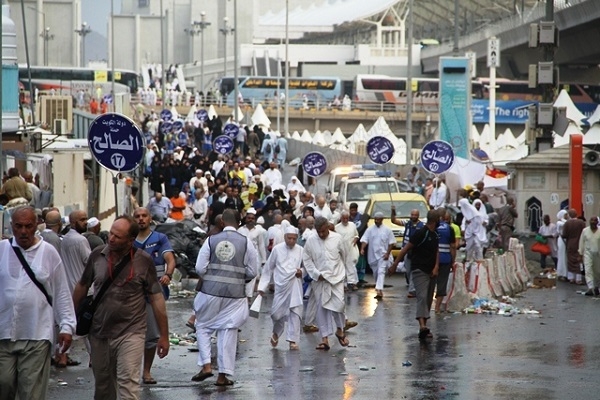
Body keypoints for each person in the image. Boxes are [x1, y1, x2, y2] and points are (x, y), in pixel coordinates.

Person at [72, 215, 170, 400]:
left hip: (131, 332)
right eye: (111, 233)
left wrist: (163, 335)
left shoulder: (143, 261)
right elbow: (82, 286)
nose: (111, 238)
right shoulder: (97, 255)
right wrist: (70, 320)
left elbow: (156, 297)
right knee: (103, 387)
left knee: (128, 386)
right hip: (100, 332)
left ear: (130, 240)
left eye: (117, 236)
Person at [0, 206, 76, 400]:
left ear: (36, 226)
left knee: (31, 391)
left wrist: (67, 326)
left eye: (28, 226)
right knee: (4, 384)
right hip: (3, 333)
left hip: (36, 334)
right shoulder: (2, 250)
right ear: (12, 226)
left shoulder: (49, 253)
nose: (23, 231)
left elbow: (62, 293)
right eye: (19, 226)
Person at [191, 209, 258, 386]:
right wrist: (237, 277)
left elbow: (199, 268)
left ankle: (206, 365)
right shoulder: (246, 242)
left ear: (222, 222)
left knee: (203, 325)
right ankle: (222, 376)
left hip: (210, 292)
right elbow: (253, 271)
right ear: (239, 222)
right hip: (235, 295)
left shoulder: (211, 240)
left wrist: (213, 274)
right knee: (228, 330)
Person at [133, 207, 177, 385]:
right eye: (137, 216)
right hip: (132, 294)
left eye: (144, 216)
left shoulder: (160, 239)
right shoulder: (128, 240)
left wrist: (168, 274)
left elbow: (170, 258)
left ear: (150, 219)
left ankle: (146, 371)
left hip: (153, 293)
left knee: (151, 335)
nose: (141, 219)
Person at [389, 210, 440, 340]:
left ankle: (425, 326)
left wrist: (436, 267)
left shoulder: (435, 234)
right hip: (419, 270)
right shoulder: (420, 233)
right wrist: (395, 264)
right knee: (422, 296)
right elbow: (405, 249)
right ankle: (422, 326)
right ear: (434, 221)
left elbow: (437, 252)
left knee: (428, 299)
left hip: (431, 271)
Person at [302, 217, 350, 351]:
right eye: (319, 232)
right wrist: (316, 274)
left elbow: (344, 256)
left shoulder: (338, 238)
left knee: (339, 305)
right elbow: (307, 259)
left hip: (336, 278)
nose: (321, 234)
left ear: (328, 227)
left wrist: (343, 275)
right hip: (320, 279)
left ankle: (340, 330)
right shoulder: (311, 240)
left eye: (323, 231)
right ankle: (324, 339)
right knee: (321, 308)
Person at [258, 226, 305, 350]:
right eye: (289, 238)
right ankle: (276, 332)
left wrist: (302, 272)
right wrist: (262, 286)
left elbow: (307, 266)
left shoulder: (300, 250)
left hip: (295, 284)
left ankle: (292, 340)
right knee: (276, 314)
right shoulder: (277, 250)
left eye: (294, 239)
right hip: (281, 286)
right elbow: (268, 268)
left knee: (295, 312)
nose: (291, 241)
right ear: (284, 237)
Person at [360, 211, 395, 300]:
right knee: (376, 273)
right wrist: (362, 249)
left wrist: (387, 253)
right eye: (375, 219)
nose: (376, 221)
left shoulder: (387, 230)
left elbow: (391, 243)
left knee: (381, 271)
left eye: (378, 219)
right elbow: (364, 240)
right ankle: (379, 288)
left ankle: (379, 290)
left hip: (383, 255)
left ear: (382, 219)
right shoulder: (370, 229)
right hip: (372, 256)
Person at [391, 207, 424, 298]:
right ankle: (413, 286)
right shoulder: (407, 223)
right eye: (412, 215)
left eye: (415, 215)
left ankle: (412, 290)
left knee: (413, 270)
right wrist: (393, 212)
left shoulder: (422, 226)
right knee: (408, 270)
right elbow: (394, 221)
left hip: (416, 252)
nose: (413, 216)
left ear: (418, 216)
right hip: (406, 251)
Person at [434, 209, 456, 313]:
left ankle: (428, 304)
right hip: (445, 259)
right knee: (442, 283)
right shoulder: (449, 229)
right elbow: (452, 246)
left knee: (431, 282)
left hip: (432, 260)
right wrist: (453, 261)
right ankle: (437, 308)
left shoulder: (433, 227)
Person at [335, 211, 360, 291]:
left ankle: (353, 283)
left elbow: (356, 235)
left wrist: (355, 240)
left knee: (351, 265)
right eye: (343, 218)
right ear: (341, 218)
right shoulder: (337, 227)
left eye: (347, 218)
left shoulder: (352, 225)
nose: (345, 220)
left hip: (351, 248)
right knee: (342, 266)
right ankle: (344, 284)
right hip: (342, 249)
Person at [562, 208, 586, 285]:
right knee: (578, 260)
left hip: (570, 244)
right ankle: (578, 279)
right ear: (576, 214)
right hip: (580, 243)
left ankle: (571, 278)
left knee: (570, 261)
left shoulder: (567, 223)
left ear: (569, 215)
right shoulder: (581, 222)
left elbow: (564, 235)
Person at [578, 215, 600, 296]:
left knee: (597, 271)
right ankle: (590, 287)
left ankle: (596, 286)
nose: (593, 222)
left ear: (597, 222)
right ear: (589, 222)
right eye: (592, 220)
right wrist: (580, 253)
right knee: (588, 269)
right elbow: (581, 242)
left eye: (595, 221)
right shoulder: (585, 231)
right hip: (588, 253)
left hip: (598, 254)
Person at [556, 210, 569, 281]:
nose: (567, 216)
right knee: (562, 257)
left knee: (566, 257)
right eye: (566, 215)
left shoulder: (566, 222)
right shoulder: (559, 222)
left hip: (566, 240)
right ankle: (562, 273)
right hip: (561, 241)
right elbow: (564, 224)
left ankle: (566, 273)